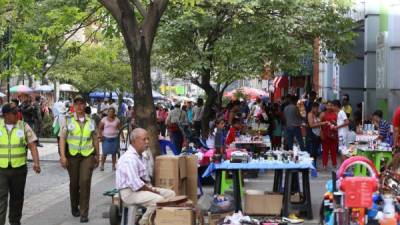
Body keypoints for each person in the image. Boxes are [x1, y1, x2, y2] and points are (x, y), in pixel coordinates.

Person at [116, 128, 175, 225]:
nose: (147, 142)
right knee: (159, 200)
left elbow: (144, 179)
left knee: (171, 194)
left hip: (141, 189)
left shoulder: (141, 155)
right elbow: (136, 185)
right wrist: (153, 191)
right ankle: (142, 222)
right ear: (134, 141)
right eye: (144, 139)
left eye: (148, 139)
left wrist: (153, 189)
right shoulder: (129, 159)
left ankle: (163, 221)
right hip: (130, 193)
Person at [59, 95, 100, 223]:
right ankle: (74, 207)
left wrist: (97, 155)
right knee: (74, 184)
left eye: (81, 104)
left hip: (87, 155)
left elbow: (95, 139)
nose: (79, 106)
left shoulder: (91, 121)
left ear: (85, 105)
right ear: (73, 106)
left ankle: (84, 213)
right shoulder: (68, 120)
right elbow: (62, 138)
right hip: (72, 156)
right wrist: (62, 156)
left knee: (85, 182)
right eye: (76, 104)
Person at [0, 103, 41, 225]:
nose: (17, 114)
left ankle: (15, 222)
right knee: (1, 199)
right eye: (14, 112)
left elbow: (32, 146)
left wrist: (36, 163)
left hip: (19, 170)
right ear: (6, 115)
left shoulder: (23, 126)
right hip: (1, 170)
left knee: (17, 199)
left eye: (17, 111)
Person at [306, 102, 326, 168]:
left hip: (317, 136)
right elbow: (311, 125)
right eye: (317, 108)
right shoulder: (310, 114)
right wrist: (322, 123)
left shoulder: (315, 115)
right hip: (312, 135)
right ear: (313, 108)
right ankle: (312, 165)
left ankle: (314, 165)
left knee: (315, 152)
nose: (318, 110)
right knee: (312, 152)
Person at [320, 101, 338, 170]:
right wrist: (321, 132)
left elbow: (338, 124)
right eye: (328, 105)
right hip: (325, 134)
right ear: (326, 106)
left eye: (331, 105)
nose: (329, 107)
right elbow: (319, 123)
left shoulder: (336, 114)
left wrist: (335, 123)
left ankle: (334, 164)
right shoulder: (323, 114)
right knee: (325, 151)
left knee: (333, 150)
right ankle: (325, 165)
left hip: (333, 134)